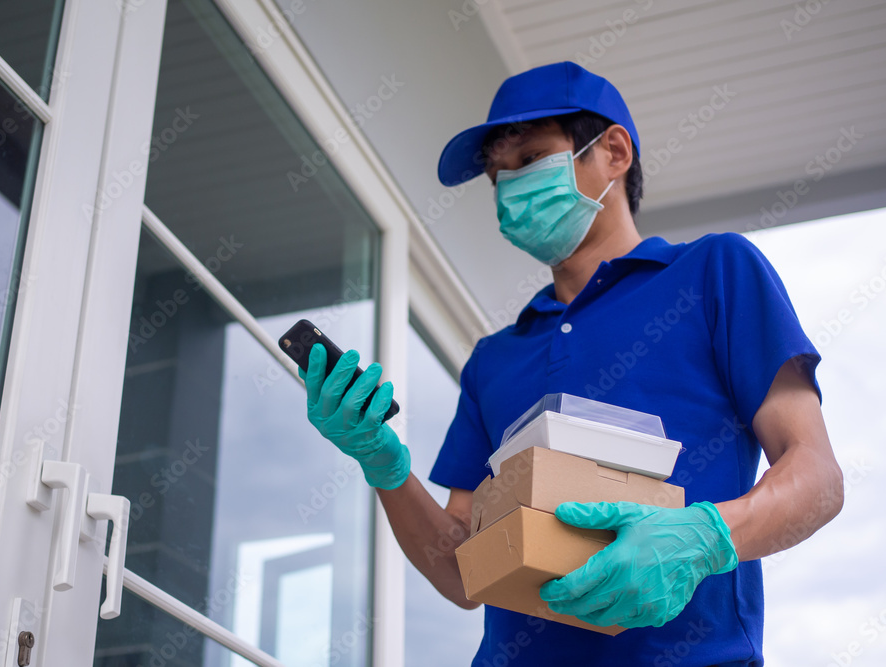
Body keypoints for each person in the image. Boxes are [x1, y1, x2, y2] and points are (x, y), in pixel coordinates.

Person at [298, 62, 843, 665]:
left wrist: (707, 537)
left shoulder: (715, 273)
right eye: (497, 177)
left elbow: (817, 477)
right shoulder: (493, 360)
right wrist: (383, 463)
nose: (510, 188)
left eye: (530, 159)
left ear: (613, 151)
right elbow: (461, 573)